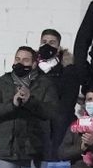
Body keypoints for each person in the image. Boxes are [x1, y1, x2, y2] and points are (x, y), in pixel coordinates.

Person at [36, 28, 84, 159]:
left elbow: (68, 102)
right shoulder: (31, 69)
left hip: (59, 118)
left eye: (52, 42)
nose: (47, 45)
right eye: (44, 41)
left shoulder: (68, 69)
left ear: (58, 47)